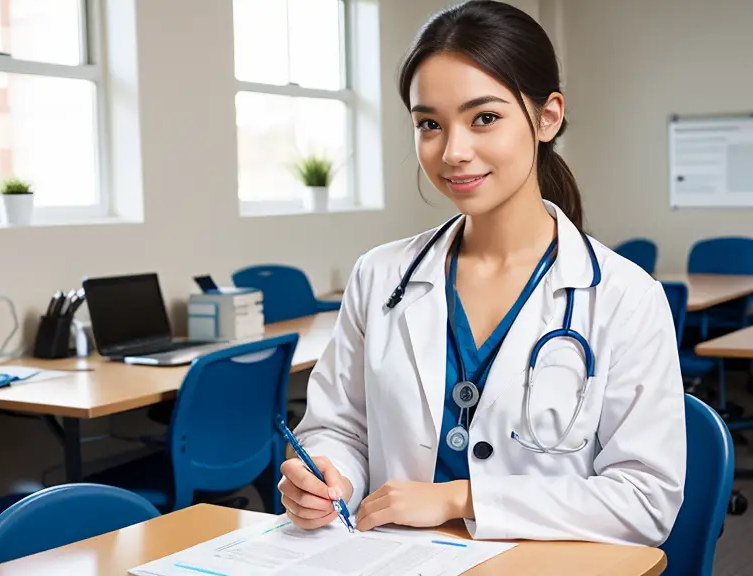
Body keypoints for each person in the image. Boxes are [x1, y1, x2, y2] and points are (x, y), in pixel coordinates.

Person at [278, 0, 685, 545]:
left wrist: (461, 497)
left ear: (548, 117)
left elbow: (646, 500)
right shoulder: (379, 275)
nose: (453, 151)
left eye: (484, 118)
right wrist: (328, 477)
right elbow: (338, 426)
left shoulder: (625, 296)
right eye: (429, 124)